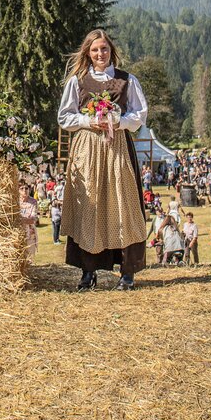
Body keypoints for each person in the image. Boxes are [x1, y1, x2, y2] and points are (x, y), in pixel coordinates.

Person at [58, 28, 149, 291]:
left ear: (111, 51)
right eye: (96, 49)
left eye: (104, 49)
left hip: (117, 145)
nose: (101, 53)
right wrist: (89, 120)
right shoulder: (78, 81)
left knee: (124, 204)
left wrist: (118, 120)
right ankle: (88, 271)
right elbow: (65, 117)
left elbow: (140, 114)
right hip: (88, 148)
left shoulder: (126, 80)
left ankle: (128, 272)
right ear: (88, 52)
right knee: (91, 204)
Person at [19, 184, 39, 262]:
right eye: (22, 188)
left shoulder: (33, 201)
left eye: (26, 188)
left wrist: (20, 220)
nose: (24, 190)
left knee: (29, 258)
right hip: (18, 232)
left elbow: (33, 219)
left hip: (30, 233)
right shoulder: (15, 202)